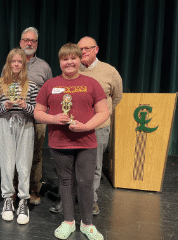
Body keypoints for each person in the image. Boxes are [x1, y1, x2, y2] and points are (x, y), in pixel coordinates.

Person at [34, 43, 109, 240]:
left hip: (86, 142)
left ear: (79, 60)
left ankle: (87, 224)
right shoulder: (50, 85)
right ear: (60, 62)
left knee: (85, 183)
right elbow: (38, 112)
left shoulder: (92, 84)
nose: (69, 62)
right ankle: (68, 221)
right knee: (66, 182)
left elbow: (103, 112)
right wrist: (54, 118)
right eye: (65, 59)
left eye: (73, 58)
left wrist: (85, 127)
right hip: (60, 143)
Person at [0, 48, 39, 224]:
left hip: (25, 125)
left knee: (24, 164)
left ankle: (23, 201)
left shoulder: (31, 85)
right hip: (6, 123)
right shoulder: (0, 84)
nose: (16, 64)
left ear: (24, 64)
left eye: (19, 62)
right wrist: (6, 105)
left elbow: (36, 112)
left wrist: (25, 105)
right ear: (8, 63)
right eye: (13, 61)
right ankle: (7, 199)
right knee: (7, 163)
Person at [78, 36, 123, 215]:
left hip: (99, 128)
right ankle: (70, 196)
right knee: (74, 164)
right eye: (80, 49)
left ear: (96, 49)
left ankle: (91, 200)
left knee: (95, 166)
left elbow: (117, 96)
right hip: (76, 127)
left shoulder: (109, 71)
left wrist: (104, 115)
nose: (83, 52)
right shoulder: (73, 70)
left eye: (87, 48)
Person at [18, 27, 53, 206]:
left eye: (32, 40)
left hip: (37, 119)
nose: (29, 43)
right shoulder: (11, 63)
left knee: (35, 156)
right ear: (20, 42)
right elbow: (2, 89)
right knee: (16, 155)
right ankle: (16, 189)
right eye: (26, 40)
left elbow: (51, 94)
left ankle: (33, 190)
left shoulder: (44, 67)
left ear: (37, 44)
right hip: (16, 119)